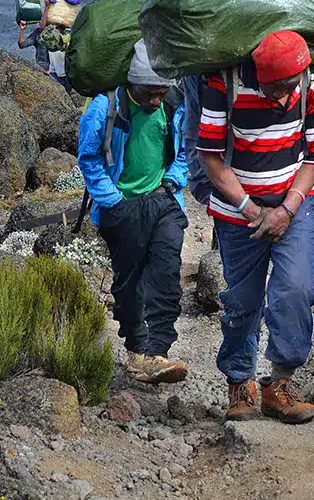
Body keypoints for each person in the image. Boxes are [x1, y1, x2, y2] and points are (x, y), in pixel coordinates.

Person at [197, 31, 314, 424]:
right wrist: (249, 208)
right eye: (277, 87)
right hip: (238, 213)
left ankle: (281, 383)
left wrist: (286, 210)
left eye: (291, 86)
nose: (284, 97)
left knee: (296, 287)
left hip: (294, 207)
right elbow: (211, 158)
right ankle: (240, 382)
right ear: (260, 74)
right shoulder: (226, 86)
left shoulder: (313, 86)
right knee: (242, 298)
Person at [77, 40, 190, 385]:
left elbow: (184, 150)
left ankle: (157, 352)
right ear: (131, 83)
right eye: (148, 93)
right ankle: (137, 351)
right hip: (122, 207)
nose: (154, 101)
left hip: (163, 201)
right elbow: (89, 159)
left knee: (167, 274)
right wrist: (114, 201)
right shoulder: (105, 108)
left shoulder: (173, 106)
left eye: (160, 93)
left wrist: (171, 184)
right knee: (130, 282)